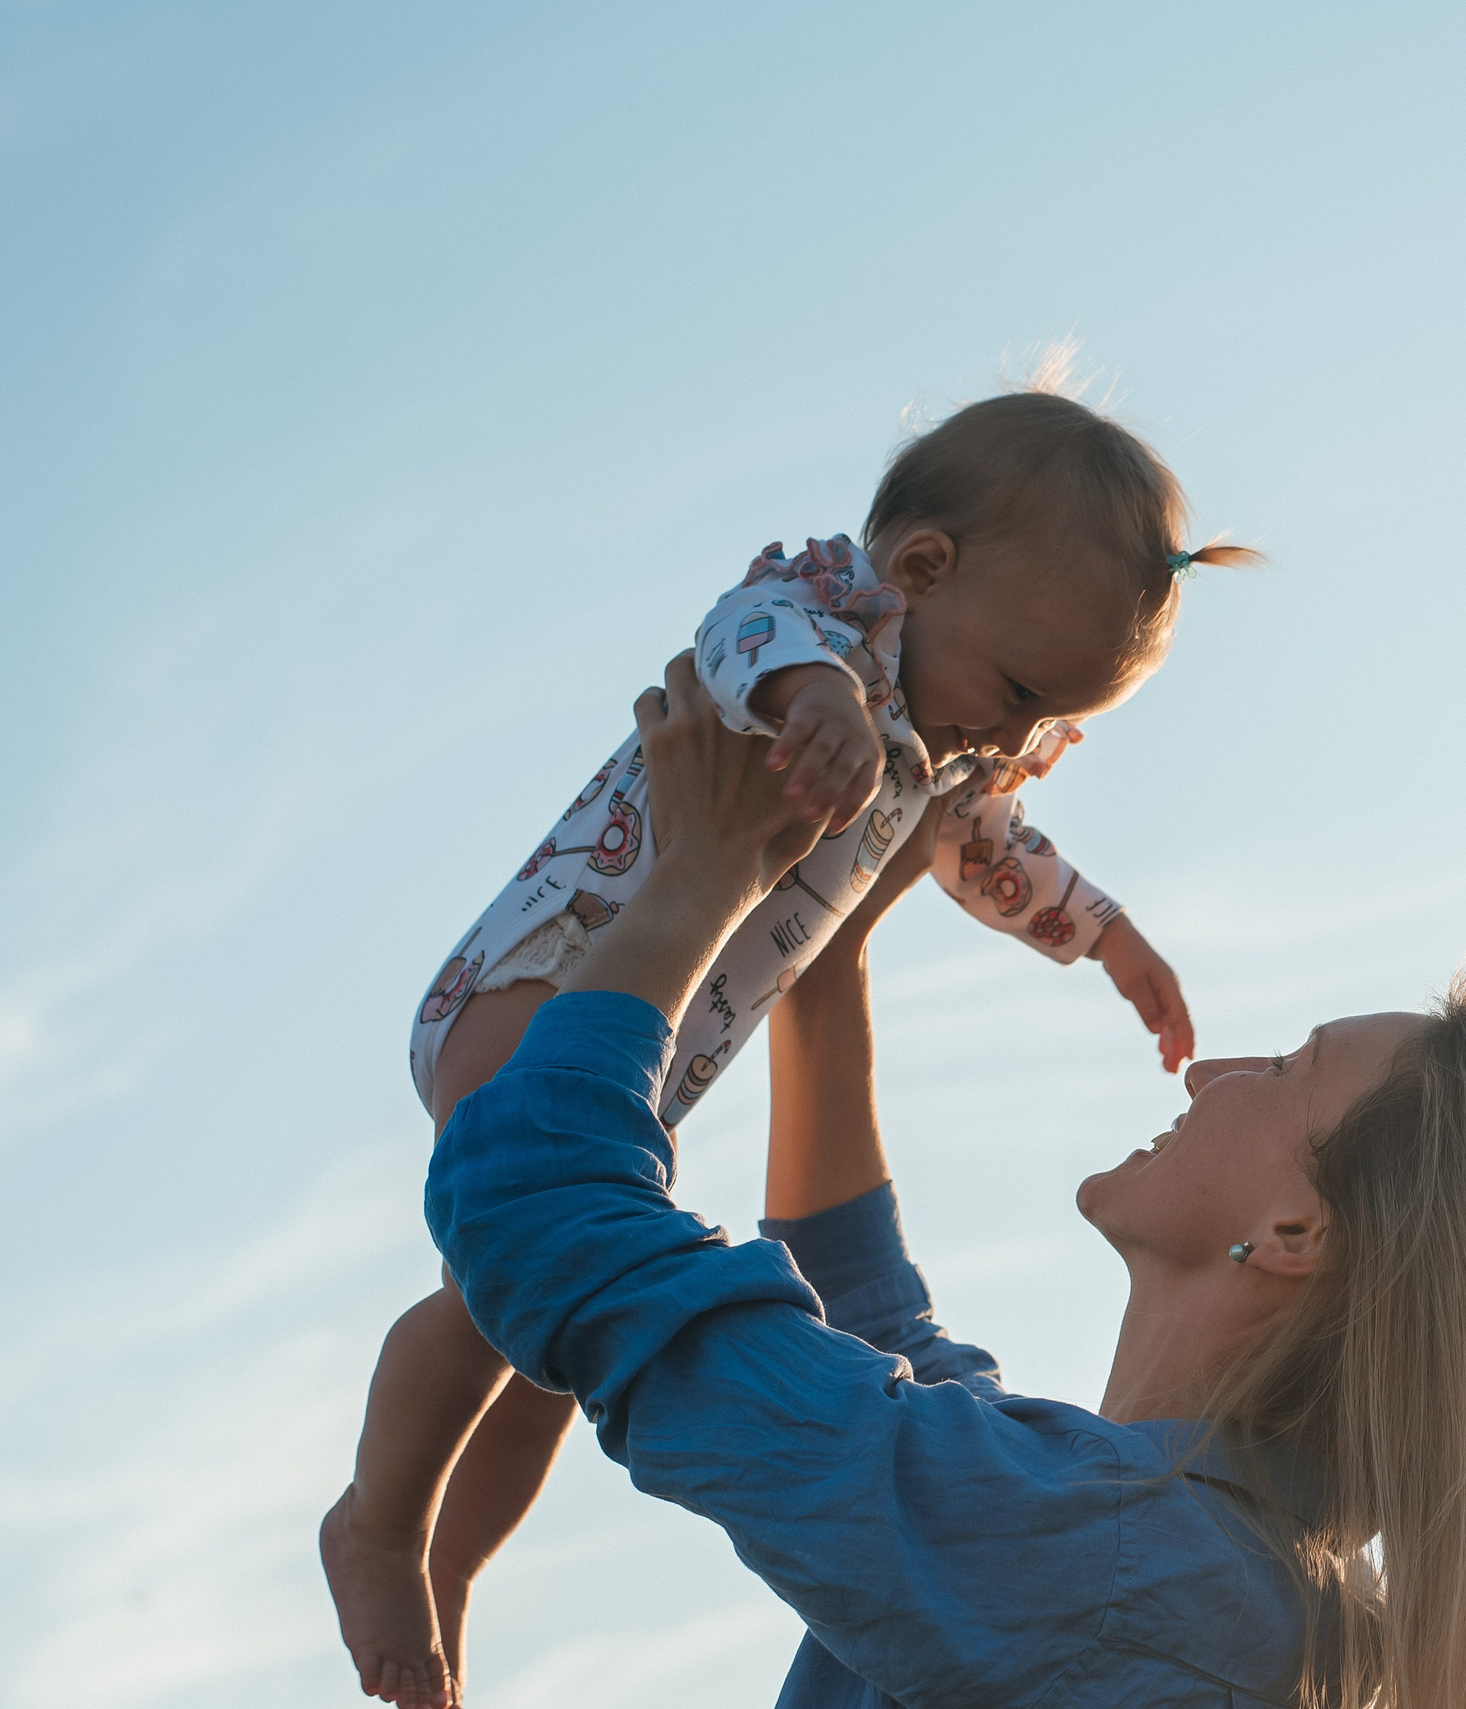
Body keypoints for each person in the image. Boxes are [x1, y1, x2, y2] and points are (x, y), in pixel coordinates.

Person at [411, 653, 1466, 1708]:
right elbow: (871, 1329)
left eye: (1291, 1067)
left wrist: (695, 888)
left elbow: (538, 1205)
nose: (1215, 1071)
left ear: (1296, 1228)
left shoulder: (1130, 1573)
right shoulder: (1209, 1575)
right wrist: (830, 951)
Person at [322, 383, 1256, 1707]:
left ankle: (452, 1566)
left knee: (555, 1339)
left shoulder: (938, 751)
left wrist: (1106, 937)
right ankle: (377, 1523)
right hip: (539, 979)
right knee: (503, 1280)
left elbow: (990, 848)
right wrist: (814, 688)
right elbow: (738, 628)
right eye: (1020, 690)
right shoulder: (830, 618)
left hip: (643, 1048)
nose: (1008, 737)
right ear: (923, 570)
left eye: (1045, 722)